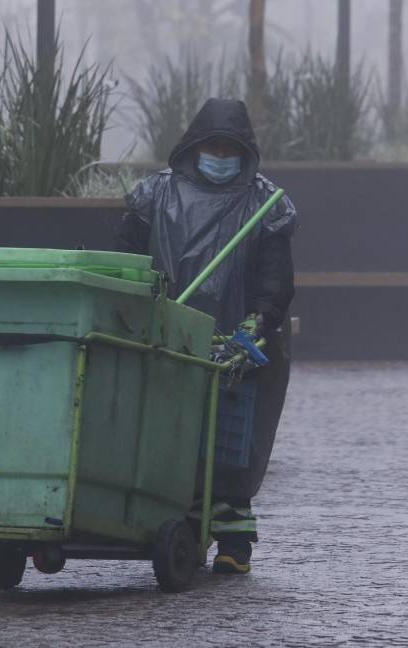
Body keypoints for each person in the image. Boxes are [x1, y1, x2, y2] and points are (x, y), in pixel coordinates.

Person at [119, 98, 296, 575]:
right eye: (213, 145)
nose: (220, 154)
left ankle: (234, 543)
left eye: (229, 147)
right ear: (194, 146)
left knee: (229, 446)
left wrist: (259, 321)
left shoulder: (264, 205)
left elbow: (276, 278)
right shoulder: (156, 196)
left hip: (234, 349)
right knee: (174, 437)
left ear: (245, 151)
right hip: (166, 339)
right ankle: (184, 526)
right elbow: (125, 257)